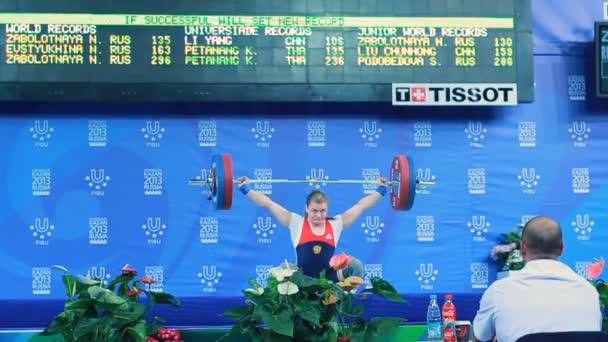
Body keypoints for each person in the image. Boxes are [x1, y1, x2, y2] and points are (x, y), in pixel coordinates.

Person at [473, 216, 602, 342]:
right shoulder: (589, 292)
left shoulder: (499, 291)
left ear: (522, 247)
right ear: (562, 247)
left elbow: (480, 338)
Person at [237, 176, 388, 282]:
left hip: (327, 280)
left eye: (323, 211)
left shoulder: (336, 223)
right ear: (307, 209)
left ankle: (343, 302)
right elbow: (268, 203)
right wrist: (246, 189)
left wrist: (380, 191)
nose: (318, 215)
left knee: (356, 266)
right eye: (314, 211)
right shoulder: (296, 222)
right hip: (301, 280)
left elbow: (361, 206)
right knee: (282, 270)